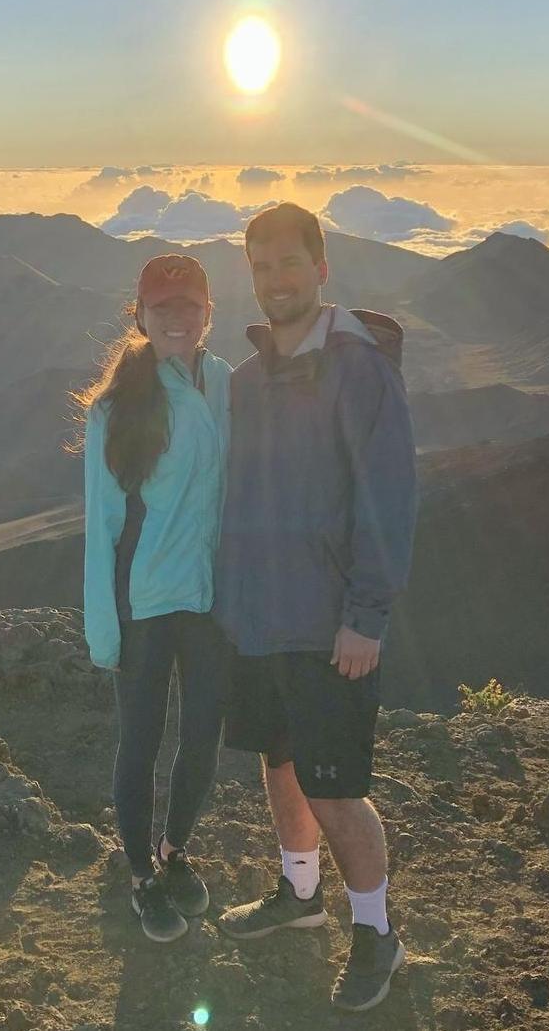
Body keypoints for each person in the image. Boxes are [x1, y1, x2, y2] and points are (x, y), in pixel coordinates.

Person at [213, 203, 417, 1011]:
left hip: (333, 623)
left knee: (335, 786)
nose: (275, 281)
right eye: (261, 268)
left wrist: (367, 613)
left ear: (320, 268)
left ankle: (377, 934)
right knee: (281, 763)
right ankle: (299, 897)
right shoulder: (246, 378)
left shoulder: (358, 367)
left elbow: (389, 494)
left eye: (289, 263)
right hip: (260, 618)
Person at [76, 253, 232, 943]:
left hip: (209, 595)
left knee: (203, 734)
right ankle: (140, 872)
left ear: (208, 313)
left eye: (189, 306)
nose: (177, 318)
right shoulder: (117, 408)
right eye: (162, 308)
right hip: (142, 599)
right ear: (140, 317)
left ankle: (175, 851)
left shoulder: (227, 383)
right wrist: (103, 632)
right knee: (141, 740)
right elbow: (101, 525)